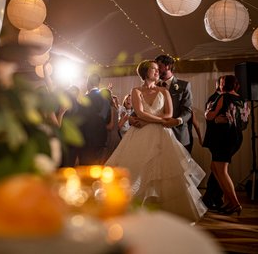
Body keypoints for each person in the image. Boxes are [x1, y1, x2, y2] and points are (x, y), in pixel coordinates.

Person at [105, 60, 207, 222]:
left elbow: (169, 115)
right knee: (139, 171)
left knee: (164, 173)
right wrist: (148, 120)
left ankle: (165, 216)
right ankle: (140, 214)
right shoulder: (136, 91)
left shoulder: (164, 91)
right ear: (145, 72)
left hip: (162, 136)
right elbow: (140, 112)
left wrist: (147, 121)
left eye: (157, 69)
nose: (157, 71)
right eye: (153, 69)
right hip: (140, 136)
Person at [205, 75, 249, 216]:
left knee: (222, 171)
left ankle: (235, 203)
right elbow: (244, 123)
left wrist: (211, 115)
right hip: (236, 137)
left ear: (224, 85)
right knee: (214, 167)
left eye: (222, 83)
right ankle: (229, 200)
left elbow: (209, 116)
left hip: (223, 138)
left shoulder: (223, 97)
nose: (221, 85)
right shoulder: (243, 100)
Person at [202, 76, 224, 210]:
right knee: (218, 169)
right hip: (216, 138)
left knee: (218, 169)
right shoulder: (214, 98)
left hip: (221, 139)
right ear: (218, 85)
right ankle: (210, 197)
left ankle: (213, 197)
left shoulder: (222, 98)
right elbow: (210, 118)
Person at [78, 74, 111, 165]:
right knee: (98, 168)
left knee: (85, 169)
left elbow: (80, 119)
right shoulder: (105, 100)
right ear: (99, 84)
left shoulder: (84, 99)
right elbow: (107, 120)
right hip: (101, 138)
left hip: (86, 140)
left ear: (88, 83)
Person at [100, 88, 121, 162]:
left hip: (110, 138)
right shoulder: (114, 108)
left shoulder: (109, 108)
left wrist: (98, 126)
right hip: (116, 137)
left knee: (105, 162)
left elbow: (110, 126)